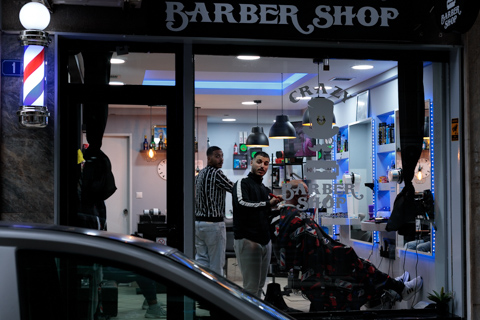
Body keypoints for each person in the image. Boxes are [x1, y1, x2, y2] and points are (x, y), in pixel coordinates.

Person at [271, 180, 423, 311]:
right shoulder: (296, 218)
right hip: (318, 270)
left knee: (360, 264)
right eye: (306, 192)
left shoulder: (285, 216)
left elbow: (314, 245)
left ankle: (394, 287)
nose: (308, 196)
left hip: (310, 267)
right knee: (358, 264)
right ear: (297, 195)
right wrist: (341, 251)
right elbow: (317, 249)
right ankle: (398, 289)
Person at [232, 151, 283, 297]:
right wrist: (268, 203)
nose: (262, 166)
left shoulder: (264, 189)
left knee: (260, 286)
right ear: (251, 163)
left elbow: (264, 212)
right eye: (259, 162)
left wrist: (280, 208)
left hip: (265, 240)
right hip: (248, 239)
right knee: (251, 287)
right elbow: (242, 204)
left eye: (266, 163)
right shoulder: (242, 183)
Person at [195, 146, 234, 276]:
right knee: (216, 265)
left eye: (222, 156)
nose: (221, 159)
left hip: (199, 224)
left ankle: (199, 292)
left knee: (201, 263)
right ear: (209, 157)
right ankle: (215, 295)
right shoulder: (217, 173)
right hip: (213, 225)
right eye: (217, 156)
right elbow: (233, 189)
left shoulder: (200, 174)